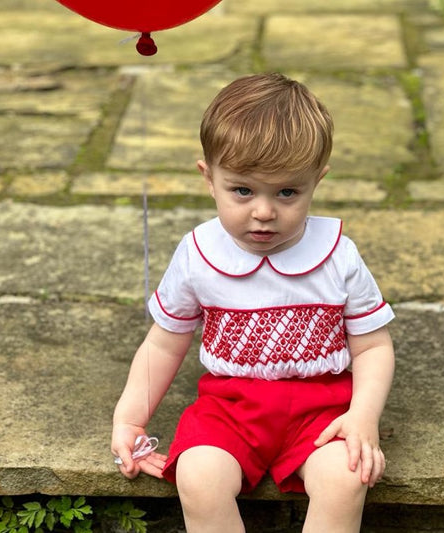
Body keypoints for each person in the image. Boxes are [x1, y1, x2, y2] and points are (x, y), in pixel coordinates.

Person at [111, 72, 395, 533]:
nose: (264, 211)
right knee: (198, 476)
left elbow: (373, 346)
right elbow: (164, 344)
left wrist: (363, 416)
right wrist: (129, 418)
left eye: (287, 192)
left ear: (316, 182)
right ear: (210, 179)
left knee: (346, 478)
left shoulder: (337, 253)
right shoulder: (200, 253)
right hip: (229, 410)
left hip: (321, 410)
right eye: (242, 190)